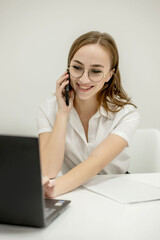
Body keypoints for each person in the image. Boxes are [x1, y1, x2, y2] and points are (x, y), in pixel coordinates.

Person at [37, 31, 140, 198]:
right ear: (67, 68)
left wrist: (54, 189)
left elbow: (95, 162)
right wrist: (62, 114)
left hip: (116, 189)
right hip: (73, 191)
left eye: (96, 71)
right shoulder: (48, 109)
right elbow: (49, 170)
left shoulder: (127, 113)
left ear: (109, 75)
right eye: (77, 68)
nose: (84, 79)